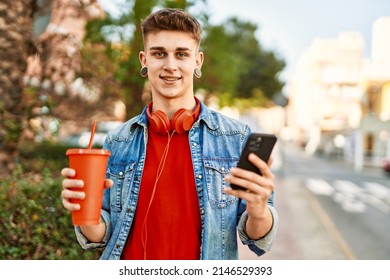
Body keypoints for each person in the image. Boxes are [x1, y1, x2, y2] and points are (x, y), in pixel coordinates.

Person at [61, 8, 278, 260]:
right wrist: (83, 209)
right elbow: (100, 235)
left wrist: (259, 209)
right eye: (159, 53)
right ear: (144, 60)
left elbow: (257, 239)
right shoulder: (118, 140)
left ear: (197, 61)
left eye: (182, 54)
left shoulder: (236, 138)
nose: (170, 65)